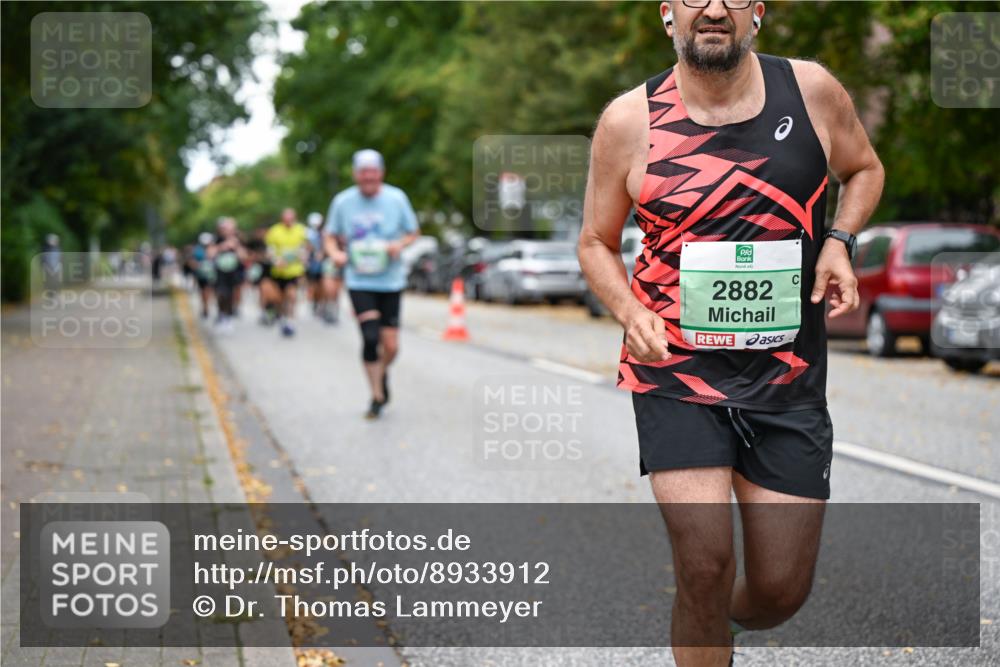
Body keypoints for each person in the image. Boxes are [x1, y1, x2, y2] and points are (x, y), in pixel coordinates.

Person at [577, 2, 884, 665]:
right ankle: (706, 616)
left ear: (757, 14)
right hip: (675, 374)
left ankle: (716, 623)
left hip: (788, 376)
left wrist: (839, 241)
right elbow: (596, 243)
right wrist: (631, 312)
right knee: (705, 565)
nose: (713, 7)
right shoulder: (630, 121)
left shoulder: (812, 92)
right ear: (669, 15)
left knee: (778, 590)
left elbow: (865, 169)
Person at [324, 149, 419, 419]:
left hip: (390, 281)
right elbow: (329, 236)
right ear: (356, 174)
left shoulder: (396, 198)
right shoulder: (343, 202)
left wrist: (398, 245)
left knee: (391, 347)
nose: (368, 177)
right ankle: (377, 395)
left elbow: (413, 232)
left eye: (373, 171)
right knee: (369, 337)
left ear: (381, 173)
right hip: (359, 279)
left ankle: (382, 369)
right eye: (363, 172)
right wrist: (335, 254)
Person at [265, 208, 309, 337]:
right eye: (286, 218)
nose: (289, 221)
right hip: (278, 271)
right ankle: (282, 316)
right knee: (280, 298)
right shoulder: (274, 231)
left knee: (292, 295)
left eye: (291, 218)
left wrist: (304, 255)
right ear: (282, 218)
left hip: (294, 270)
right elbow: (270, 250)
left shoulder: (301, 230)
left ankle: (290, 321)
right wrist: (275, 260)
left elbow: (305, 246)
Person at [211, 217, 246, 333]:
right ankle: (222, 314)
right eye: (226, 228)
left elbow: (244, 257)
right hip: (220, 273)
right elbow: (210, 253)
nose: (228, 231)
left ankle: (229, 317)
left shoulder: (238, 240)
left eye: (231, 229)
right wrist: (223, 246)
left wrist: (236, 247)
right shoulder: (216, 240)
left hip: (234, 273)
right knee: (221, 294)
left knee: (231, 295)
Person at [305, 212, 340, 324]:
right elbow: (308, 247)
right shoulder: (309, 234)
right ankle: (318, 303)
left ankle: (327, 307)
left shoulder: (328, 233)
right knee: (316, 286)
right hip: (314, 265)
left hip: (326, 264)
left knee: (327, 286)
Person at [189, 232, 216, 319]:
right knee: (204, 292)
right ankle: (205, 308)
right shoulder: (197, 251)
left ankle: (207, 307)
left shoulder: (214, 248)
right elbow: (192, 263)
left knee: (209, 291)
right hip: (202, 275)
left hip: (212, 275)